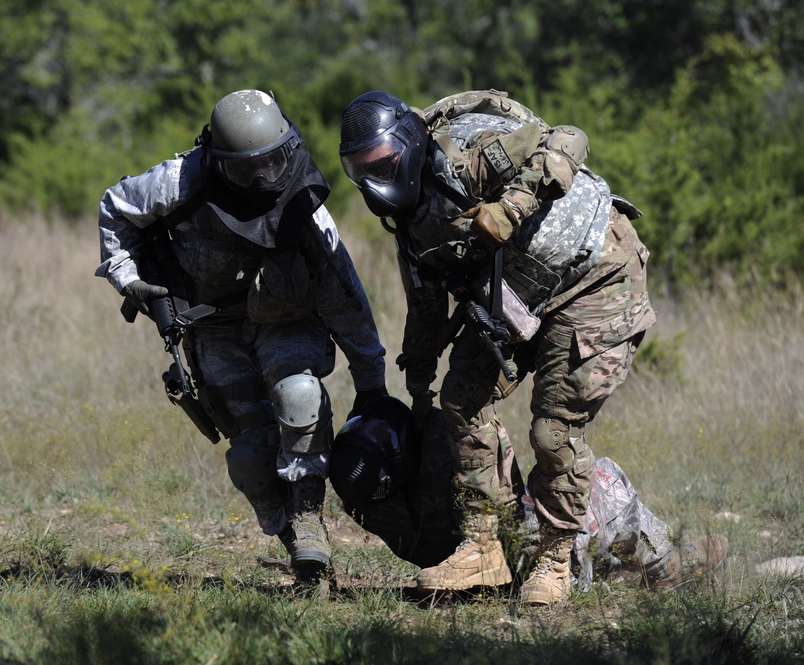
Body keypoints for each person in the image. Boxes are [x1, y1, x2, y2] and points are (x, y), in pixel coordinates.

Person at [338, 90, 658, 604]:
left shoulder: (471, 157)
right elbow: (424, 305)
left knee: (554, 430)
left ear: (406, 146)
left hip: (596, 277)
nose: (372, 181)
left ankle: (554, 558)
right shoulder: (409, 220)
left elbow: (568, 140)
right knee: (460, 400)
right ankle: (484, 545)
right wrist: (417, 383)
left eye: (379, 164)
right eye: (359, 171)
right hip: (518, 293)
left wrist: (511, 207)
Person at [96, 89, 387, 581]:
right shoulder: (178, 181)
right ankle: (291, 535)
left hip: (287, 318)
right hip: (213, 327)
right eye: (247, 168)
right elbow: (116, 209)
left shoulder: (302, 203)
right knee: (250, 460)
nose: (264, 177)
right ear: (217, 160)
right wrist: (132, 281)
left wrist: (372, 382)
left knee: (299, 395)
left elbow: (343, 293)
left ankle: (308, 515)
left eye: (274, 161)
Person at [330, 396, 729, 595]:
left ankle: (621, 571)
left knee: (580, 535)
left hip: (478, 568)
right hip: (528, 556)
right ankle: (664, 564)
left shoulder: (362, 499)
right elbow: (507, 483)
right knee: (601, 476)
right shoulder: (439, 442)